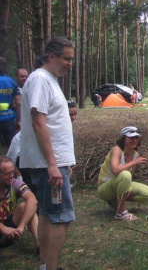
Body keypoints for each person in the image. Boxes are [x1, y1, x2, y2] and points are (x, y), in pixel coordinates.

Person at [19, 37, 76, 270]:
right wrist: (53, 164)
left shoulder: (48, 80)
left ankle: (45, 265)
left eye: (71, 59)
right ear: (51, 56)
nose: (69, 63)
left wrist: (64, 160)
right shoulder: (41, 79)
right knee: (60, 217)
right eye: (66, 58)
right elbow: (38, 122)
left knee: (46, 214)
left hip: (51, 163)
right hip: (48, 165)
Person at [97, 126, 148, 221]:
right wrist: (134, 162)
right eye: (131, 138)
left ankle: (117, 200)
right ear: (124, 139)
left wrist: (127, 188)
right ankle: (120, 213)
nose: (134, 140)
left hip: (120, 182)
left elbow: (130, 175)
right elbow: (115, 170)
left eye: (136, 138)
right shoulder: (117, 150)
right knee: (125, 174)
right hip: (104, 187)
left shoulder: (135, 154)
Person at [0, 156, 39, 252]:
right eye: (6, 174)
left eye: (12, 172)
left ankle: (40, 245)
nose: (11, 176)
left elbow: (33, 200)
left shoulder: (14, 183)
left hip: (9, 229)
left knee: (27, 207)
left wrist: (21, 227)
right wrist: (3, 228)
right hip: (3, 229)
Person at [0, 57, 21, 148]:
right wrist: (19, 120)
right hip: (9, 119)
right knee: (11, 147)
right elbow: (19, 103)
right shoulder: (12, 81)